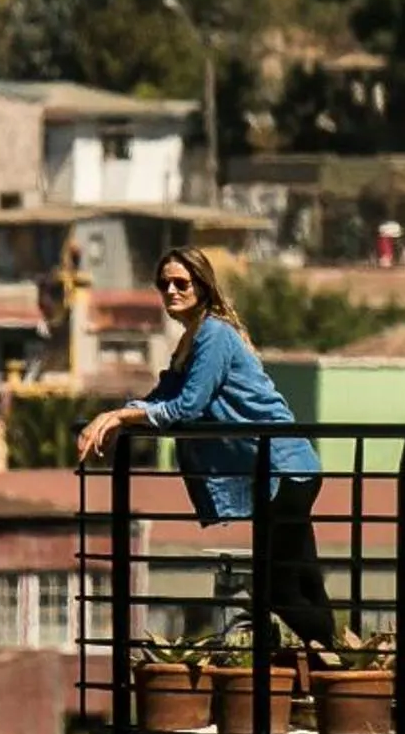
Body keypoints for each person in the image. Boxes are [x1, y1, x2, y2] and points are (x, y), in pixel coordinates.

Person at [75, 247, 337, 658]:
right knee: (302, 580)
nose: (172, 291)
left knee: (277, 588)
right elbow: (160, 397)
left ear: (202, 284)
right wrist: (115, 415)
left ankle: (336, 659)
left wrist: (122, 418)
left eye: (182, 282)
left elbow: (186, 407)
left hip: (285, 469)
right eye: (165, 284)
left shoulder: (213, 335)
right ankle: (332, 672)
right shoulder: (191, 340)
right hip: (282, 471)